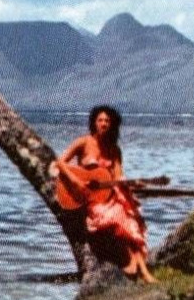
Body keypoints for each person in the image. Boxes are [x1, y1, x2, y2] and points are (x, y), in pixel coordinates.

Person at [50, 105, 156, 283]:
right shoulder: (83, 142)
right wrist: (76, 181)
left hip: (109, 196)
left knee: (132, 220)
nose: (104, 123)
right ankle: (136, 268)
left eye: (107, 121)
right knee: (117, 217)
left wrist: (133, 183)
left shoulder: (114, 150)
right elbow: (60, 162)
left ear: (112, 124)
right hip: (91, 201)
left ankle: (142, 271)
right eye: (100, 120)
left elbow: (118, 176)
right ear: (94, 123)